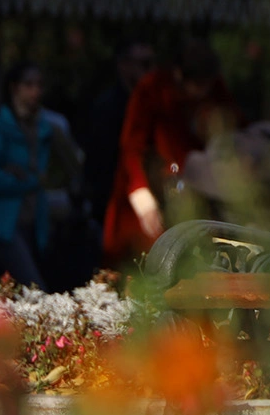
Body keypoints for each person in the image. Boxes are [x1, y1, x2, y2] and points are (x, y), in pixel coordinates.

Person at [103, 40, 241, 266]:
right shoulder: (152, 89)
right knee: (147, 257)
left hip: (195, 188)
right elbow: (132, 146)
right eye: (197, 85)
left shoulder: (213, 85)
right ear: (179, 75)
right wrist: (141, 194)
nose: (202, 92)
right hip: (153, 183)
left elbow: (233, 123)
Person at [0, 63, 55, 289]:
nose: (35, 91)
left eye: (39, 85)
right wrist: (26, 181)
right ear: (14, 88)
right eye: (29, 85)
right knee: (34, 290)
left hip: (32, 218)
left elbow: (44, 172)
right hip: (1, 223)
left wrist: (25, 177)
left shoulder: (42, 126)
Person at [77, 38, 154, 228]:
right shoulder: (107, 108)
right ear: (124, 65)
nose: (149, 70)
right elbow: (99, 162)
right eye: (143, 64)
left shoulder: (152, 104)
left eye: (151, 63)